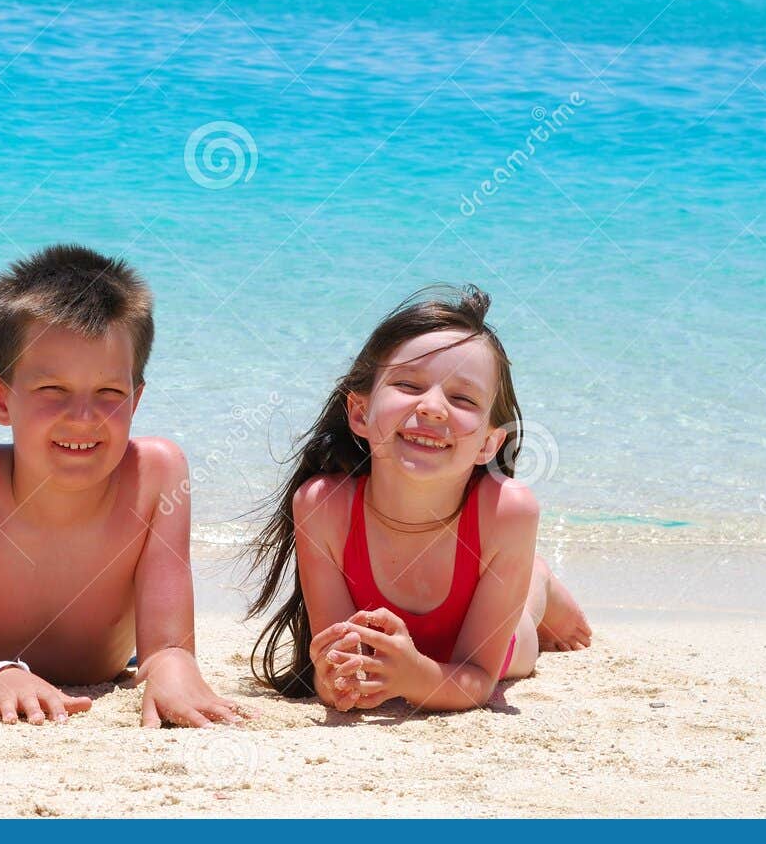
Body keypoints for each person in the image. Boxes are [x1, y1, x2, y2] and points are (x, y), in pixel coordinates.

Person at [0, 244, 242, 728]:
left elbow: (167, 648)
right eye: (53, 391)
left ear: (135, 401)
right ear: (0, 398)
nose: (83, 418)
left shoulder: (157, 475)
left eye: (110, 393)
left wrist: (174, 667)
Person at [246, 285, 591, 713]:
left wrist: (413, 677)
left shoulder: (508, 513)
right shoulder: (321, 505)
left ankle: (536, 580)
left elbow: (478, 679)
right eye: (408, 385)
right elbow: (333, 656)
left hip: (487, 645)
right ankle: (526, 575)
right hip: (410, 650)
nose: (432, 407)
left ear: (489, 443)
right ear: (359, 413)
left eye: (462, 398)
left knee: (521, 645)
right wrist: (333, 677)